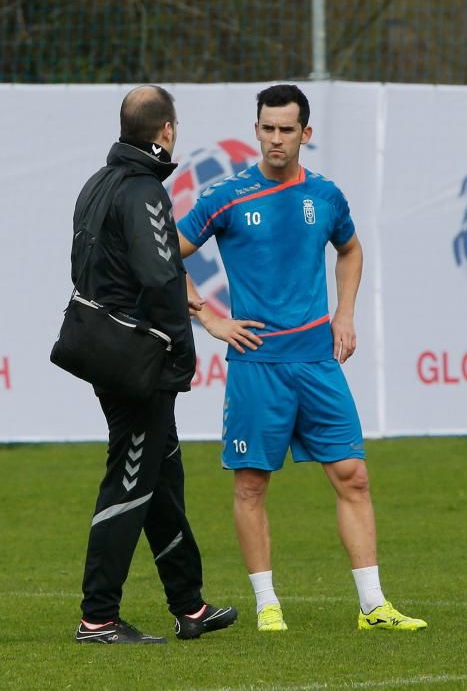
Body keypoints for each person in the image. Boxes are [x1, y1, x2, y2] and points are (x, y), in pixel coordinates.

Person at [177, 84, 427, 633]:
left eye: (286, 129)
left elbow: (351, 248)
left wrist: (345, 313)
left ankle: (373, 607)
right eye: (267, 127)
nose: (275, 138)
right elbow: (164, 254)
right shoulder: (225, 196)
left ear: (305, 135)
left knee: (353, 476)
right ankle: (268, 606)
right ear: (256, 129)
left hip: (317, 361)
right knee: (250, 485)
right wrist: (209, 316)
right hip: (256, 366)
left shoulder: (327, 196)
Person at [71, 85, 237, 644]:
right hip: (135, 359)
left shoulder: (98, 183)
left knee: (162, 475)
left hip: (104, 347)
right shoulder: (143, 190)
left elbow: (91, 267)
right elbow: (160, 277)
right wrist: (180, 356)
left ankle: (190, 605)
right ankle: (98, 617)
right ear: (167, 130)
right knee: (131, 478)